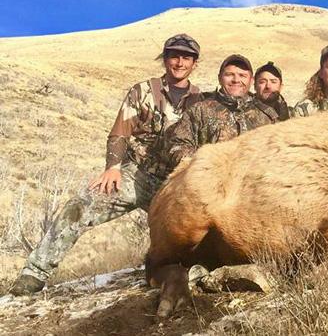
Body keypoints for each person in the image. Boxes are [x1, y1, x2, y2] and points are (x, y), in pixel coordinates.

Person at [9, 33, 204, 295]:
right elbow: (120, 132)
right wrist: (113, 167)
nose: (180, 62)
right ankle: (33, 275)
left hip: (173, 184)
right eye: (174, 56)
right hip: (135, 175)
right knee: (79, 207)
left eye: (186, 57)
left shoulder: (202, 101)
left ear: (195, 63)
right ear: (165, 59)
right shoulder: (143, 90)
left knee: (198, 236)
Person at [164, 54, 277, 170]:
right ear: (219, 78)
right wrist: (209, 163)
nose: (236, 80)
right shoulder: (199, 110)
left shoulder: (267, 116)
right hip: (211, 181)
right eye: (229, 75)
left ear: (251, 80)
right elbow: (177, 148)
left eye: (242, 75)